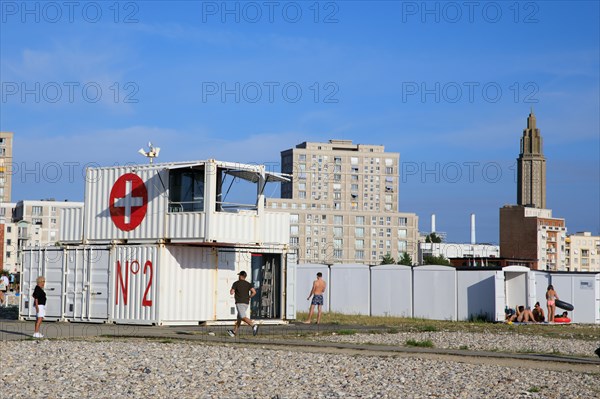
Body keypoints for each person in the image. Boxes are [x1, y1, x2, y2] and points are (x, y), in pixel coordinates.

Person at [227, 271, 258, 337]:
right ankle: (234, 332)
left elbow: (232, 292)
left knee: (242, 316)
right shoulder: (248, 284)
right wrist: (249, 296)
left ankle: (253, 325)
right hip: (246, 303)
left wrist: (231, 290)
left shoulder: (236, 283)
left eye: (239, 275)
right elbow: (254, 292)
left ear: (241, 276)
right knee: (239, 318)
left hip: (239, 302)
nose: (238, 276)